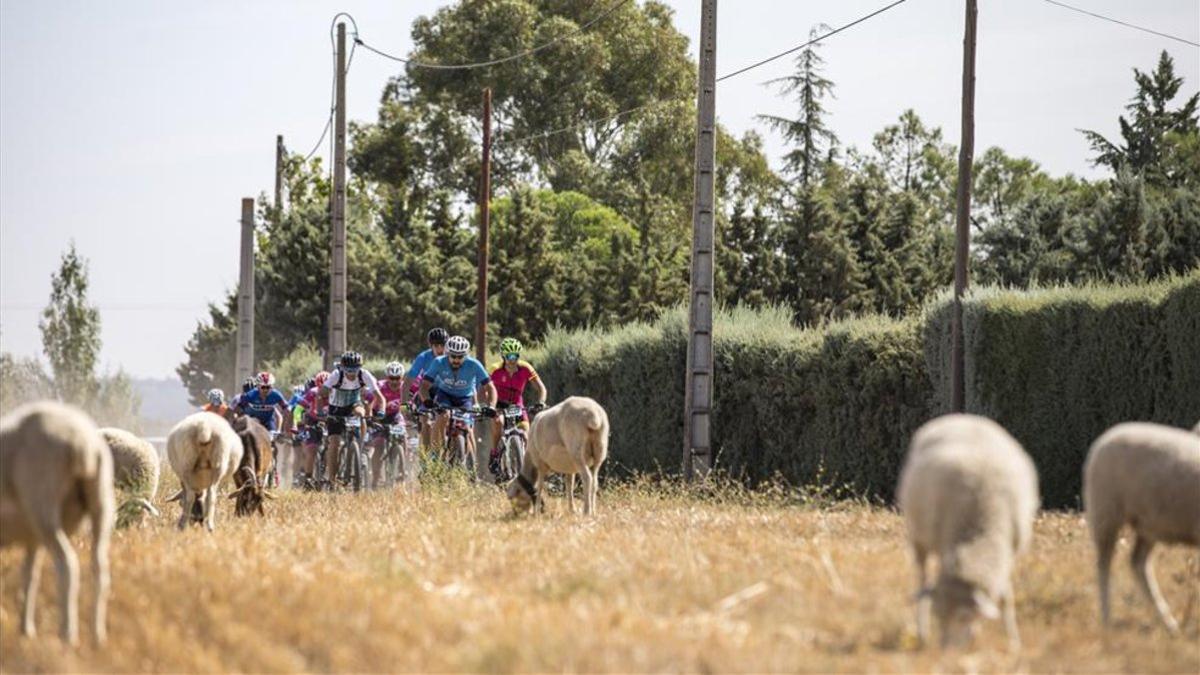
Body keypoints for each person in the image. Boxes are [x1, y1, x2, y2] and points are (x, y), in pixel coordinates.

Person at [418, 335, 497, 464]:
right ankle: (435, 452)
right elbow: (424, 386)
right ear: (447, 354)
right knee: (443, 416)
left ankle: (472, 466)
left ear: (466, 356)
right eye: (453, 356)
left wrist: (492, 406)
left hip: (465, 398)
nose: (456, 360)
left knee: (467, 426)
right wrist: (427, 400)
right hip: (445, 395)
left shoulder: (474, 364)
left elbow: (490, 387)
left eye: (460, 357)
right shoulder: (438, 362)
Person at [318, 351, 382, 488]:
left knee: (361, 413)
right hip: (335, 409)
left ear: (360, 367)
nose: (352, 373)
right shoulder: (336, 375)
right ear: (342, 367)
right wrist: (320, 411)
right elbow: (320, 394)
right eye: (348, 369)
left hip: (353, 405)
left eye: (355, 369)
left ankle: (361, 444)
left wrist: (381, 411)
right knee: (334, 443)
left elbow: (380, 396)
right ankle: (332, 480)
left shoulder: (364, 375)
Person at [487, 338, 547, 479]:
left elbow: (541, 388)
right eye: (509, 356)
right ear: (503, 356)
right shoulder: (495, 369)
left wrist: (541, 402)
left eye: (515, 356)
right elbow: (484, 388)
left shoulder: (526, 368)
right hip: (499, 405)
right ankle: (495, 453)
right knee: (498, 423)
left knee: (526, 433)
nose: (512, 360)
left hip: (517, 405)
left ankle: (524, 463)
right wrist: (488, 405)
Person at [402, 328, 447, 451]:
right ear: (430, 345)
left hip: (446, 392)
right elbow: (406, 384)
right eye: (436, 345)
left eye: (442, 345)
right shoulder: (423, 357)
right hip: (427, 392)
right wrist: (404, 406)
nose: (440, 349)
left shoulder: (452, 356)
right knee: (426, 421)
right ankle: (426, 458)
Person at [369, 361, 409, 488]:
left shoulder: (404, 388)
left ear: (402, 378)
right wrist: (371, 417)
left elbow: (408, 405)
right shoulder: (380, 387)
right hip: (379, 417)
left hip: (395, 417)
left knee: (403, 435)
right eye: (392, 378)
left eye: (397, 378)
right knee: (379, 445)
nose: (394, 381)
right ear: (387, 377)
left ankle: (403, 467)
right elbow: (370, 402)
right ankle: (376, 477)